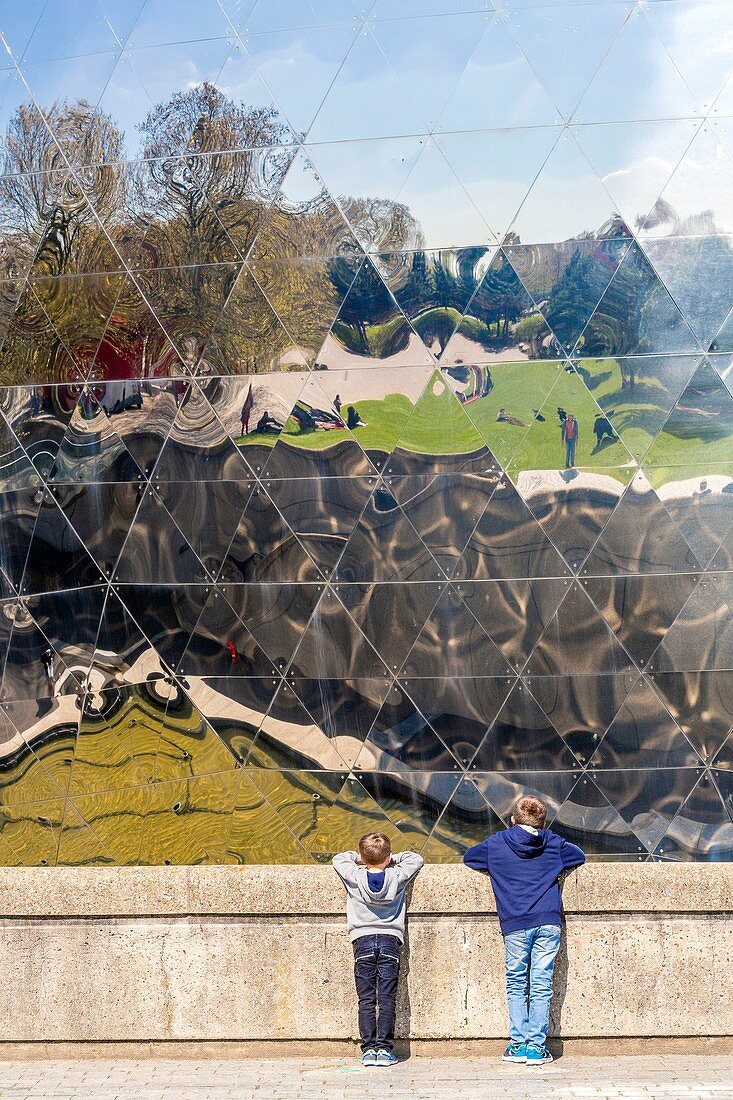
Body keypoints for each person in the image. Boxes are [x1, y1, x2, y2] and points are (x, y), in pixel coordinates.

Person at [462, 795, 585, 1067]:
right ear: (542, 822)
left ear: (512, 820)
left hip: (515, 921)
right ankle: (536, 1048)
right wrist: (549, 840)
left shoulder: (496, 844)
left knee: (517, 983)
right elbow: (579, 855)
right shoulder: (552, 843)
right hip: (548, 921)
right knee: (541, 984)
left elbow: (470, 857)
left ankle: (518, 1045)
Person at [333, 834, 424, 1068]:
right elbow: (415, 859)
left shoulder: (354, 875)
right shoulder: (397, 875)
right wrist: (393, 859)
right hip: (390, 940)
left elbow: (339, 859)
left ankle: (368, 1050)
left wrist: (359, 858)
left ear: (363, 857)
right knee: (386, 998)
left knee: (365, 999)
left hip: (362, 940)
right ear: (389, 856)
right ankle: (383, 1049)